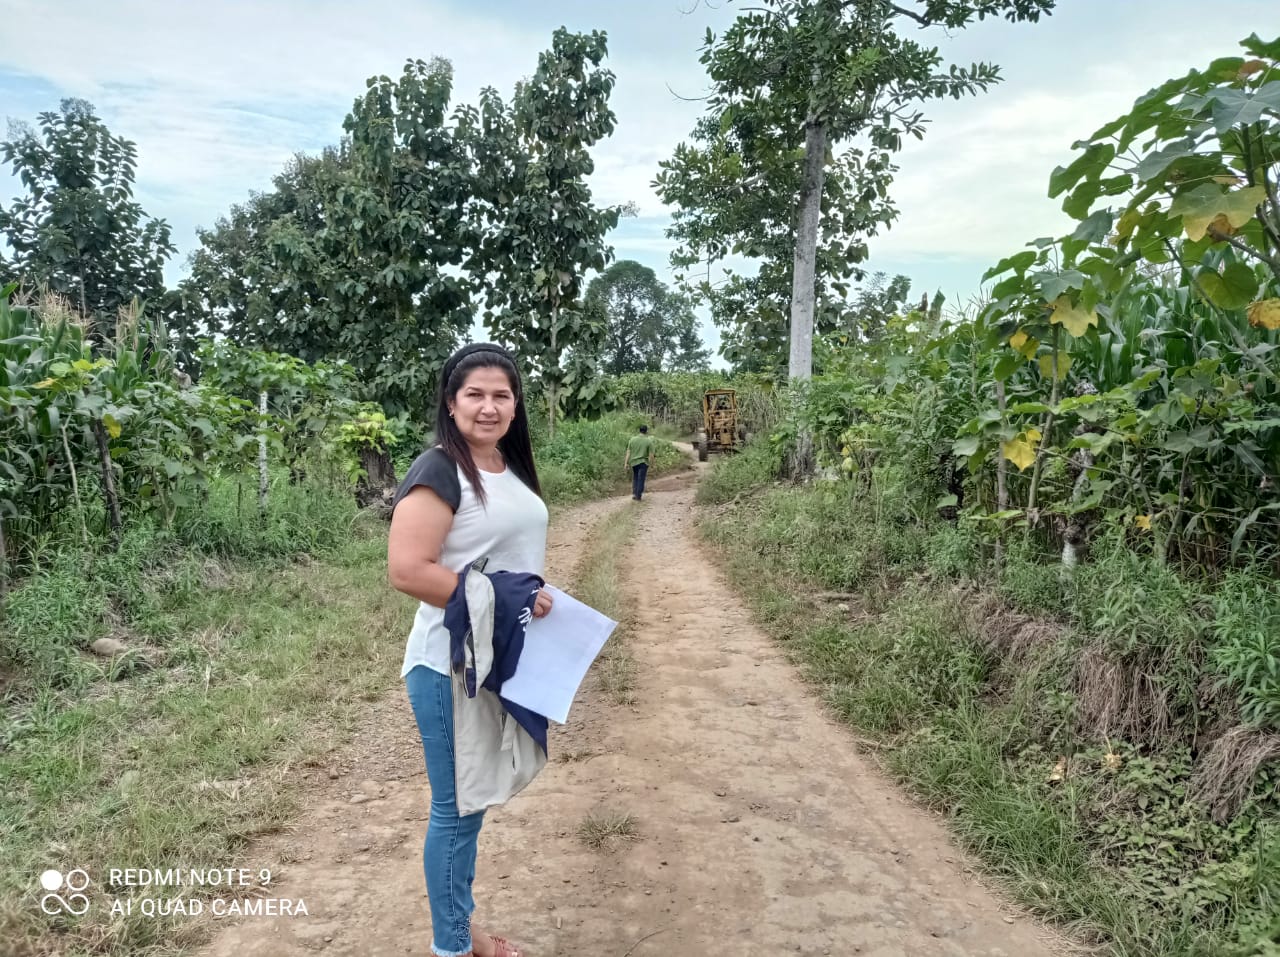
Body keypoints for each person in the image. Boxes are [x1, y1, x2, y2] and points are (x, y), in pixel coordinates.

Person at [387, 343, 551, 957]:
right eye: (475, 395)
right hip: (449, 665)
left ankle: (463, 931)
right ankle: (452, 946)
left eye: (501, 395)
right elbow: (408, 570)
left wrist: (528, 597)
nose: (489, 407)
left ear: (516, 405)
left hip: (494, 658)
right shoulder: (439, 470)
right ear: (451, 403)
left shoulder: (507, 465)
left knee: (472, 805)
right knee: (457, 810)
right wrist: (506, 597)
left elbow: (505, 562)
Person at [624, 424, 657, 501]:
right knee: (641, 478)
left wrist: (626, 463)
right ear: (646, 431)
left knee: (635, 477)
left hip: (634, 462)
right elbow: (651, 455)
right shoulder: (648, 441)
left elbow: (628, 452)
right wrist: (652, 464)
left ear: (639, 430)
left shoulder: (632, 439)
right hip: (643, 462)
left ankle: (635, 493)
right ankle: (638, 495)